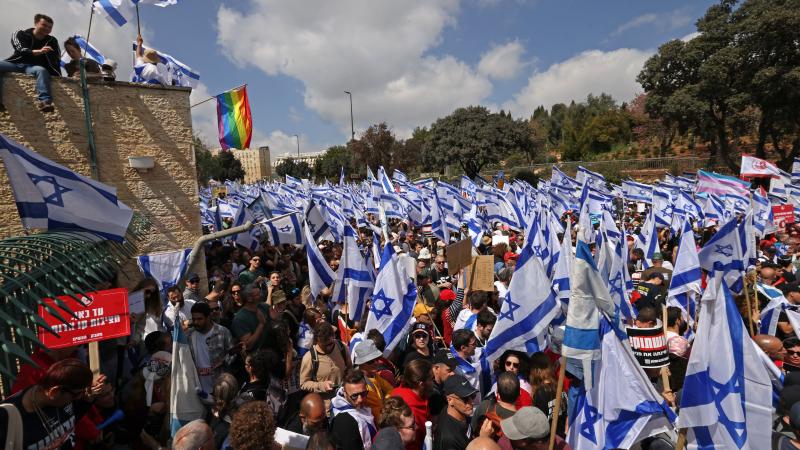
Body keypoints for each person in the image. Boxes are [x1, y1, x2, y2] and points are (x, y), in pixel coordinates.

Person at [0, 358, 109, 450]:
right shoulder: (8, 417)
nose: (80, 397)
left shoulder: (58, 400)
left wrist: (88, 398)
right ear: (54, 392)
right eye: (77, 394)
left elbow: (70, 418)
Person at [0, 14, 61, 112]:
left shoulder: (52, 40)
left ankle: (45, 102)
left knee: (42, 70)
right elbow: (22, 50)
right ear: (36, 24)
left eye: (50, 27)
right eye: (44, 25)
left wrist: (58, 74)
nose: (47, 29)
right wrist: (40, 51)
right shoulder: (20, 34)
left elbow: (56, 58)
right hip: (16, 64)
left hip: (33, 67)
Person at [300, 321, 350, 410]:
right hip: (325, 408)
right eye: (325, 344)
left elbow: (350, 368)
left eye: (331, 343)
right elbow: (303, 383)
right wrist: (322, 386)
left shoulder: (342, 347)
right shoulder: (309, 358)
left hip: (345, 403)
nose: (329, 347)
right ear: (317, 340)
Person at [188, 302, 235, 393]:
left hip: (221, 386)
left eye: (199, 319)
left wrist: (222, 362)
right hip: (199, 388)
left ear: (208, 317)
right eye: (194, 319)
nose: (196, 322)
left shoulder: (222, 332)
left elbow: (232, 353)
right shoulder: (190, 335)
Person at [391, 359, 433, 450]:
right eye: (431, 379)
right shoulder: (410, 411)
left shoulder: (398, 391)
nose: (433, 382)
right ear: (421, 384)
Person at [329, 369, 376, 450]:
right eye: (354, 396)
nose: (360, 399)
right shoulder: (345, 422)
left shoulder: (359, 404)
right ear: (344, 393)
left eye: (363, 393)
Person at [435, 374, 481, 450]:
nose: (471, 402)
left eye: (473, 395)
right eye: (465, 399)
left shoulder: (460, 411)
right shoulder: (449, 440)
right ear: (450, 400)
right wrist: (482, 440)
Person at [352, 340, 395, 420]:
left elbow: (390, 390)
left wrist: (385, 400)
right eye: (371, 361)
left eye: (377, 359)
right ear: (362, 363)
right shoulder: (360, 385)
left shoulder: (373, 375)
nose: (376, 363)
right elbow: (377, 412)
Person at [472, 372, 519, 439]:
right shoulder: (522, 422)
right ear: (519, 393)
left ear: (497, 392)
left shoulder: (485, 406)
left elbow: (472, 431)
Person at [500, 406, 571, 450]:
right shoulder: (505, 445)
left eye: (515, 435)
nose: (509, 437)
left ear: (537, 443)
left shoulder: (562, 448)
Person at [232, 284, 270, 351]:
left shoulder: (264, 307)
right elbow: (248, 346)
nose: (261, 295)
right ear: (249, 299)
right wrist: (261, 324)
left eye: (260, 292)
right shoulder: (240, 318)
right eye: (257, 294)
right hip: (257, 357)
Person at [450, 329, 480, 394]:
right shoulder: (460, 371)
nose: (476, 346)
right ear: (463, 348)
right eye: (474, 344)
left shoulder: (467, 355)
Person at [430, 349, 458, 417]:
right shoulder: (431, 393)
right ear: (436, 368)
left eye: (454, 369)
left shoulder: (445, 382)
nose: (453, 373)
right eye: (449, 370)